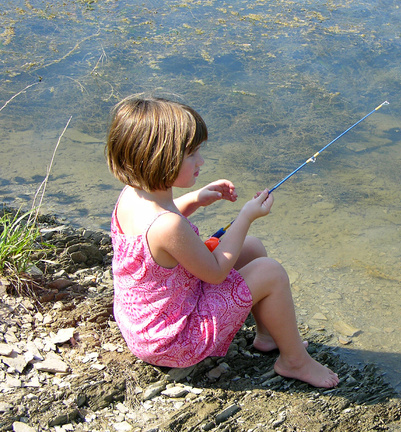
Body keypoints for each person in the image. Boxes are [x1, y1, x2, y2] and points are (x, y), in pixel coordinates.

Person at [105, 94, 339, 388]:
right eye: (191, 155)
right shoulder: (167, 225)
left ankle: (267, 337)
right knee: (270, 271)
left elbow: (166, 222)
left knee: (251, 247)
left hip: (147, 324)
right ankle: (294, 362)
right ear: (159, 159)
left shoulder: (133, 195)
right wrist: (245, 216)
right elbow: (215, 271)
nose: (201, 161)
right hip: (175, 341)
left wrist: (196, 199)